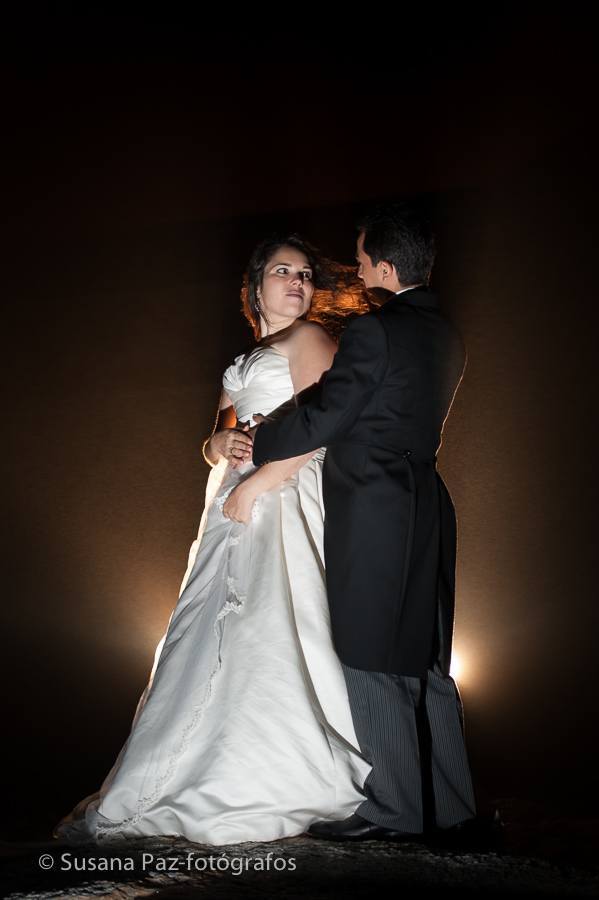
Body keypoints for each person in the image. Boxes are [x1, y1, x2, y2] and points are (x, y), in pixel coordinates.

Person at [52, 234, 371, 847]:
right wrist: (217, 445)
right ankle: (196, 765)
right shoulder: (245, 358)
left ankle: (276, 773)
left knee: (270, 619)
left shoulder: (310, 339)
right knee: (212, 627)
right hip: (229, 501)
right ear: (255, 287)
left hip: (282, 494)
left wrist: (258, 488)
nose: (298, 282)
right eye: (283, 271)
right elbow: (214, 439)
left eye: (305, 274)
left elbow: (324, 431)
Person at [251, 204, 478, 842]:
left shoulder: (375, 330)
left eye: (360, 260)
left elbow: (331, 413)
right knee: (425, 659)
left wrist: (262, 440)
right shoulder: (447, 333)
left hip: (374, 503)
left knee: (371, 652)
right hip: (425, 497)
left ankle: (393, 812)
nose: (355, 270)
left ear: (383, 267)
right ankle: (453, 811)